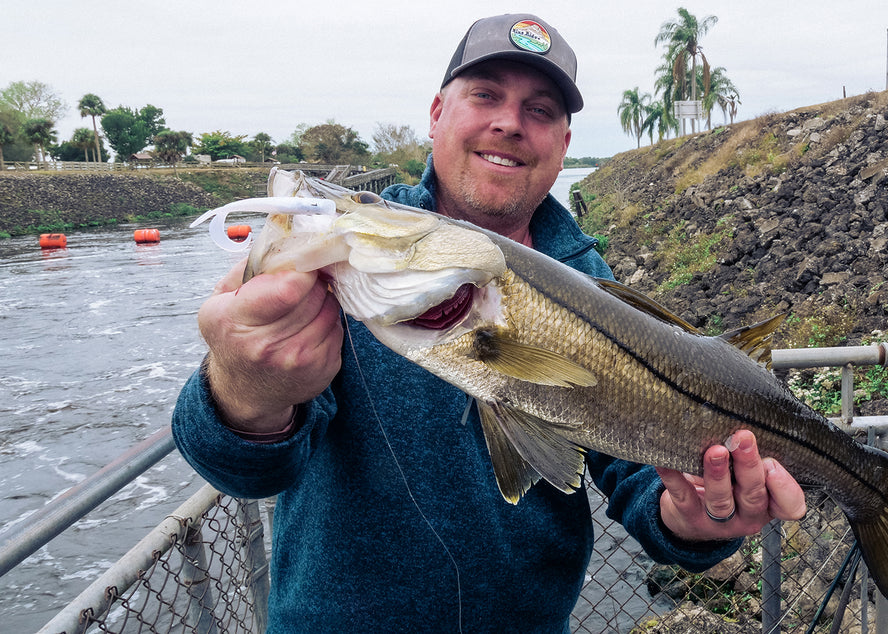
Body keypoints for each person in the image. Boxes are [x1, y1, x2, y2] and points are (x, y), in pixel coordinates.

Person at [173, 13, 806, 633]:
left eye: (541, 109)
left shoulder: (592, 280)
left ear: (561, 145)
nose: (509, 122)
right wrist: (243, 392)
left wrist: (689, 520)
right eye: (485, 95)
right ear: (436, 116)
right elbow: (241, 469)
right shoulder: (351, 269)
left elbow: (635, 471)